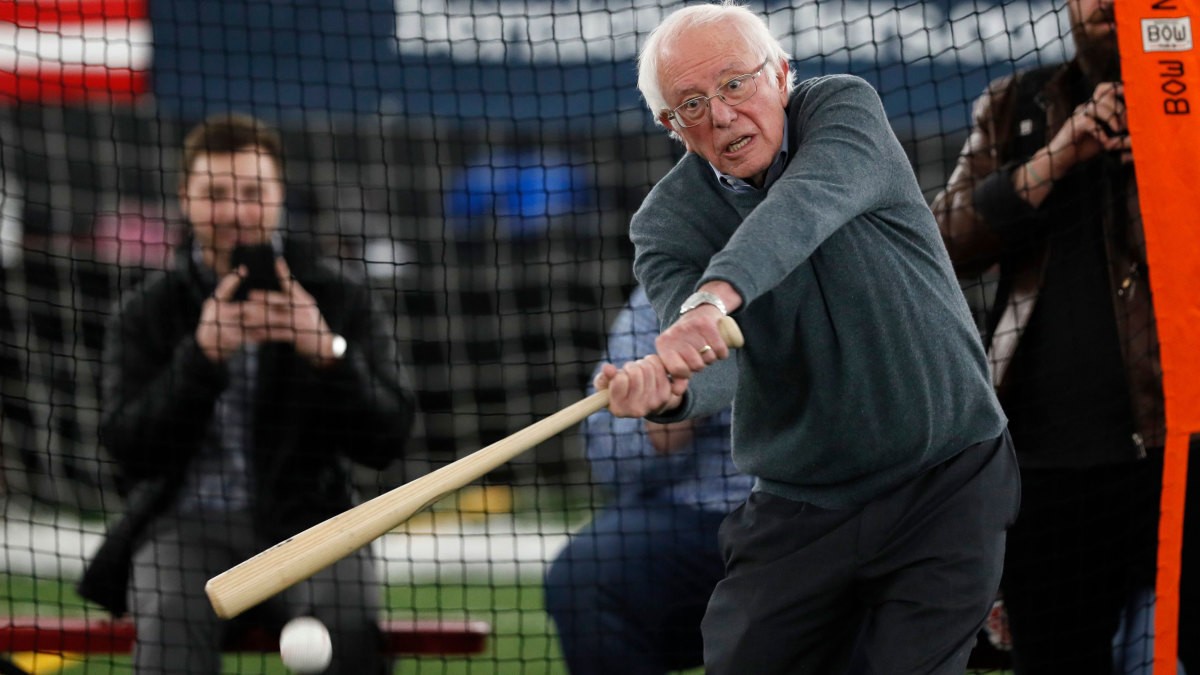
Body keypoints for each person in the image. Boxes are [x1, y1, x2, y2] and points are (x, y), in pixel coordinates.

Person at [595, 3, 1020, 673]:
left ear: (783, 73)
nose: (724, 114)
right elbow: (717, 366)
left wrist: (713, 297)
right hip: (801, 504)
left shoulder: (845, 109)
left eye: (737, 83)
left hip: (948, 476)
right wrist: (671, 389)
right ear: (672, 127)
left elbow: (803, 206)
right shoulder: (665, 225)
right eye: (693, 104)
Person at [77, 113, 416, 674]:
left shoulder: (336, 296)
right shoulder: (146, 311)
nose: (235, 211)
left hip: (312, 525)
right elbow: (128, 449)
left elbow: (387, 438)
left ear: (280, 195)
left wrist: (325, 350)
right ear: (185, 198)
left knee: (342, 634)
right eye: (215, 193)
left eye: (253, 193)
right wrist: (201, 357)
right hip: (184, 529)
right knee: (167, 629)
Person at [928, 0, 1196, 669]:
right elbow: (942, 242)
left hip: (1183, 452)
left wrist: (1177, 162)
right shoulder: (1016, 101)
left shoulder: (1190, 102)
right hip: (1048, 470)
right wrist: (1056, 155)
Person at [544, 286, 752, 675]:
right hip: (700, 517)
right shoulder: (667, 289)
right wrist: (671, 410)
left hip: (831, 512)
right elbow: (611, 461)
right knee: (588, 575)